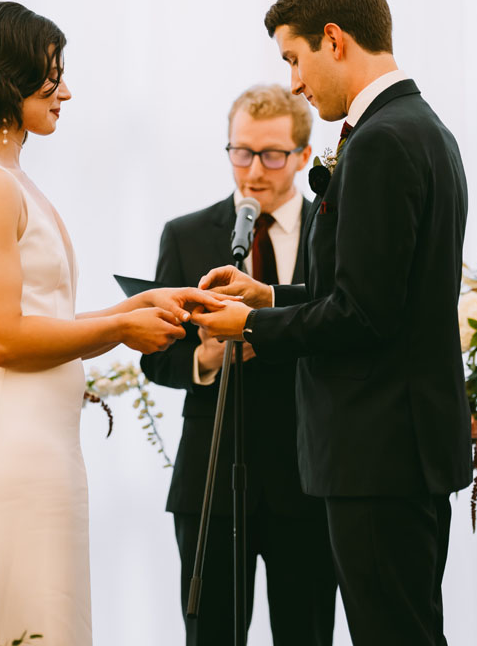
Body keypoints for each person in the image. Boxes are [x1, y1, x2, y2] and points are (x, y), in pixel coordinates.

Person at [0, 2, 226, 645]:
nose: (66, 91)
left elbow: (36, 319)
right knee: (25, 616)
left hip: (35, 436)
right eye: (53, 75)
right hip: (5, 443)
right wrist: (119, 333)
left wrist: (140, 306)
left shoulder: (5, 172)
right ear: (6, 76)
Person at [193, 0, 471, 646]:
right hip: (402, 446)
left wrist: (252, 324)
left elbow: (362, 316)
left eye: (294, 57)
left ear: (335, 39)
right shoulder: (422, 126)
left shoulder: (380, 140)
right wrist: (271, 294)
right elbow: (381, 295)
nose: (293, 80)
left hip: (376, 450)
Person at [140, 84, 337, 645]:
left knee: (308, 633)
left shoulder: (336, 228)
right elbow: (157, 360)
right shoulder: (186, 235)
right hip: (212, 477)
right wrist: (204, 358)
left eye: (272, 154)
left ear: (302, 156)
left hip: (309, 473)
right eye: (241, 151)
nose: (254, 170)